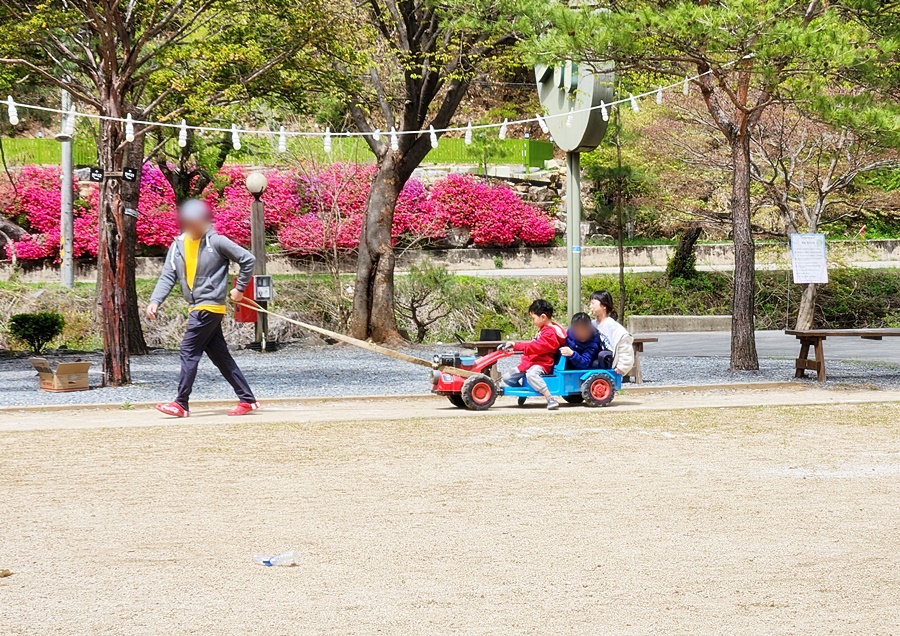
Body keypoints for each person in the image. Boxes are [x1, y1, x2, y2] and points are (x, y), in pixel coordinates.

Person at [147, 199, 260, 418]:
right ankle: (248, 399)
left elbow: (248, 259)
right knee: (220, 356)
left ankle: (181, 403)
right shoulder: (178, 245)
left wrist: (239, 289)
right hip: (196, 306)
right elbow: (168, 275)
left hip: (209, 306)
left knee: (189, 351)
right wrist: (155, 300)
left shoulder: (216, 241)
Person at [501, 299, 567, 410]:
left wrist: (517, 346)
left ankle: (550, 398)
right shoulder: (543, 330)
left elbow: (536, 347)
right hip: (531, 362)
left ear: (543, 317)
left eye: (533, 318)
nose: (532, 321)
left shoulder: (549, 333)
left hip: (542, 363)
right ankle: (523, 392)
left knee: (531, 375)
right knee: (507, 377)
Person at [588, 290, 634, 376]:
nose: (590, 307)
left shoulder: (614, 326)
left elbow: (624, 345)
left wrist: (622, 367)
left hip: (608, 363)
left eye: (593, 303)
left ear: (604, 306)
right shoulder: (591, 324)